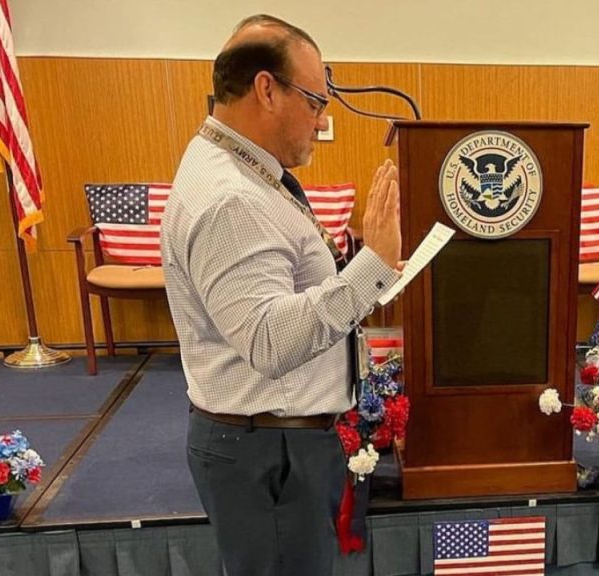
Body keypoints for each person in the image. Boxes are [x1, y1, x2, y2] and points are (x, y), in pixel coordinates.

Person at [160, 14, 401, 576]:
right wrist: (371, 266)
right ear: (266, 89)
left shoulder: (240, 170)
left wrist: (369, 270)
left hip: (271, 442)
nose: (323, 120)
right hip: (269, 453)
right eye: (316, 101)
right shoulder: (232, 199)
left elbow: (281, 293)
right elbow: (269, 341)